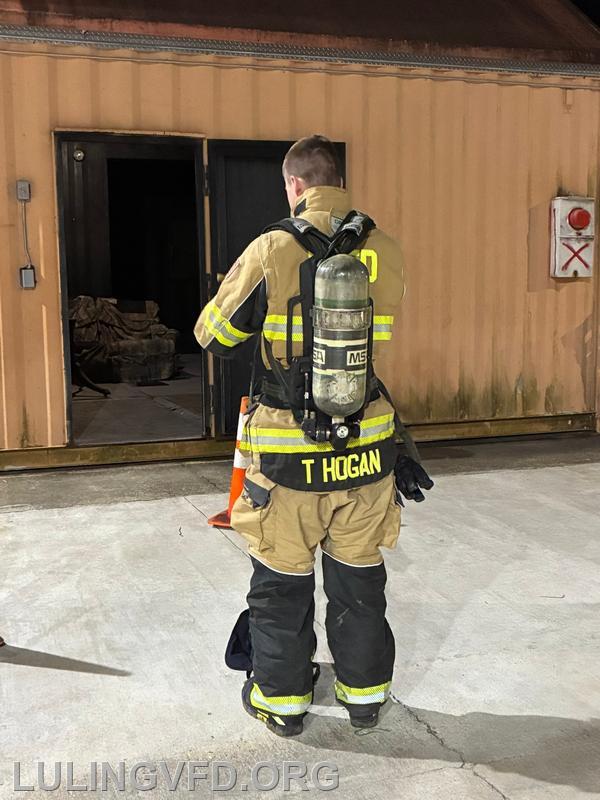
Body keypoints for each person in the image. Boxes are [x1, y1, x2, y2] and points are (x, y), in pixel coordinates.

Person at [194, 135, 433, 737]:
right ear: (339, 180)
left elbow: (213, 335)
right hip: (367, 452)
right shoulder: (385, 249)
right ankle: (365, 699)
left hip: (287, 461)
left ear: (295, 185)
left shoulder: (272, 246)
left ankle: (283, 703)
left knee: (281, 587)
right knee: (360, 586)